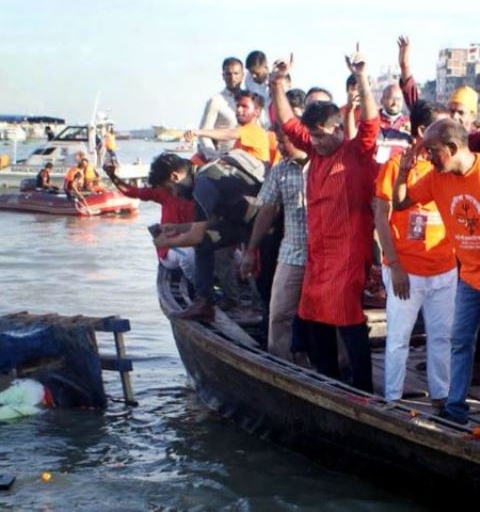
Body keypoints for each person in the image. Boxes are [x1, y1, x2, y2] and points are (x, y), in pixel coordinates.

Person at [271, 49, 379, 393]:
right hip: (318, 254)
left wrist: (361, 76)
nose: (315, 141)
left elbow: (371, 122)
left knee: (348, 318)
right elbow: (287, 122)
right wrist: (277, 81)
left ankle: (362, 390)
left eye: (320, 135)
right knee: (314, 315)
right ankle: (327, 383)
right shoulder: (316, 151)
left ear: (337, 129)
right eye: (312, 136)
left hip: (348, 255)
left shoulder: (356, 152)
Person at [392, 118, 480, 424]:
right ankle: (456, 410)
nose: (427, 157)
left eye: (432, 151)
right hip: (469, 277)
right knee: (459, 342)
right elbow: (400, 202)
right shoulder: (435, 179)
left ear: (453, 148)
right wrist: (403, 172)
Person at [374, 101, 455, 407]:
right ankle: (392, 402)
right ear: (423, 131)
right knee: (398, 340)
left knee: (441, 338)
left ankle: (441, 399)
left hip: (444, 269)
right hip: (405, 271)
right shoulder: (396, 166)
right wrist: (394, 265)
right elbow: (381, 215)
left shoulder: (447, 165)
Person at [153, 149, 265, 320]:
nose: (174, 195)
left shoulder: (202, 187)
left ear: (175, 177)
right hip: (244, 220)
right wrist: (178, 228)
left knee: (203, 242)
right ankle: (212, 301)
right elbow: (207, 225)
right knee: (207, 243)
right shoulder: (205, 174)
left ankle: (208, 303)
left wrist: (165, 243)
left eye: (170, 190)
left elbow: (196, 236)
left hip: (262, 224)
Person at [240, 126, 309, 362]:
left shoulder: (324, 165)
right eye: (277, 141)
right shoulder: (280, 170)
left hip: (325, 255)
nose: (278, 147)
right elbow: (266, 210)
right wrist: (251, 249)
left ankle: (338, 368)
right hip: (292, 253)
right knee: (279, 314)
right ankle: (282, 365)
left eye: (283, 141)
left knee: (330, 316)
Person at [105, 157, 196, 282]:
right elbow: (132, 191)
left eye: (165, 185)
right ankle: (198, 288)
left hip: (197, 243)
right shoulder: (163, 193)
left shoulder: (201, 191)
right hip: (171, 249)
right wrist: (113, 177)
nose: (169, 190)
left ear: (175, 178)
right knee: (189, 254)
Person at [187, 90, 271, 164]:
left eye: (244, 106)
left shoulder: (254, 130)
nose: (239, 110)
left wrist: (199, 132)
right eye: (238, 106)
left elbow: (228, 134)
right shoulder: (241, 139)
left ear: (257, 111)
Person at [197, 57, 243, 158]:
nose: (232, 78)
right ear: (223, 76)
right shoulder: (216, 101)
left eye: (236, 73)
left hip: (249, 159)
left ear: (242, 75)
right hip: (224, 158)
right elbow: (204, 133)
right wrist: (213, 157)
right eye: (228, 74)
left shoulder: (250, 100)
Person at [245, 50, 271, 127]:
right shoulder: (248, 79)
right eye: (251, 73)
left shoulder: (276, 80)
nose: (253, 76)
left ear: (265, 67)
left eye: (257, 73)